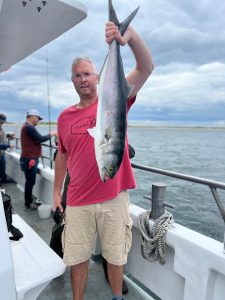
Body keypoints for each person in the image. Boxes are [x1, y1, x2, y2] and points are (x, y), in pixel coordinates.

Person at [53, 21, 154, 300]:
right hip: (77, 200)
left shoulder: (116, 98)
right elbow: (62, 155)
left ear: (97, 77)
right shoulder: (64, 117)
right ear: (72, 81)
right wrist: (55, 193)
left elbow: (146, 67)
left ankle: (117, 298)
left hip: (113, 197)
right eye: (77, 76)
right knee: (77, 257)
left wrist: (129, 38)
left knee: (115, 255)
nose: (83, 79)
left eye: (87, 73)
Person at [20, 109, 57, 210]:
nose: (38, 121)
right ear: (31, 117)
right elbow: (40, 138)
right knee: (30, 182)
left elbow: (35, 139)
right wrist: (52, 134)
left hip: (27, 159)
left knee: (30, 181)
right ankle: (28, 203)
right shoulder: (29, 127)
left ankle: (29, 201)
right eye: (37, 118)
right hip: (29, 160)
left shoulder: (26, 127)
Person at [0, 113, 14, 184]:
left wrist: (9, 135)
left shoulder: (1, 128)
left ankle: (4, 180)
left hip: (2, 153)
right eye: (2, 121)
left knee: (2, 167)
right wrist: (8, 146)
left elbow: (3, 136)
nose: (3, 123)